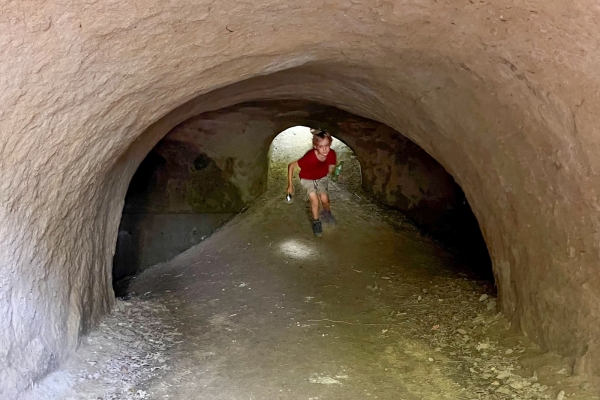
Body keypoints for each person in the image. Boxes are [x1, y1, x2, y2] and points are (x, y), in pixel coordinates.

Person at [287, 129, 337, 237]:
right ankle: (316, 222)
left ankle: (327, 213)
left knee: (324, 198)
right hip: (307, 178)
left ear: (330, 144)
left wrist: (334, 172)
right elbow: (291, 166)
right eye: (321, 146)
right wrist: (290, 186)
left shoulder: (331, 154)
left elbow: (331, 167)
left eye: (327, 145)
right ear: (315, 146)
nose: (324, 149)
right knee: (314, 199)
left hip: (321, 178)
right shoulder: (309, 157)